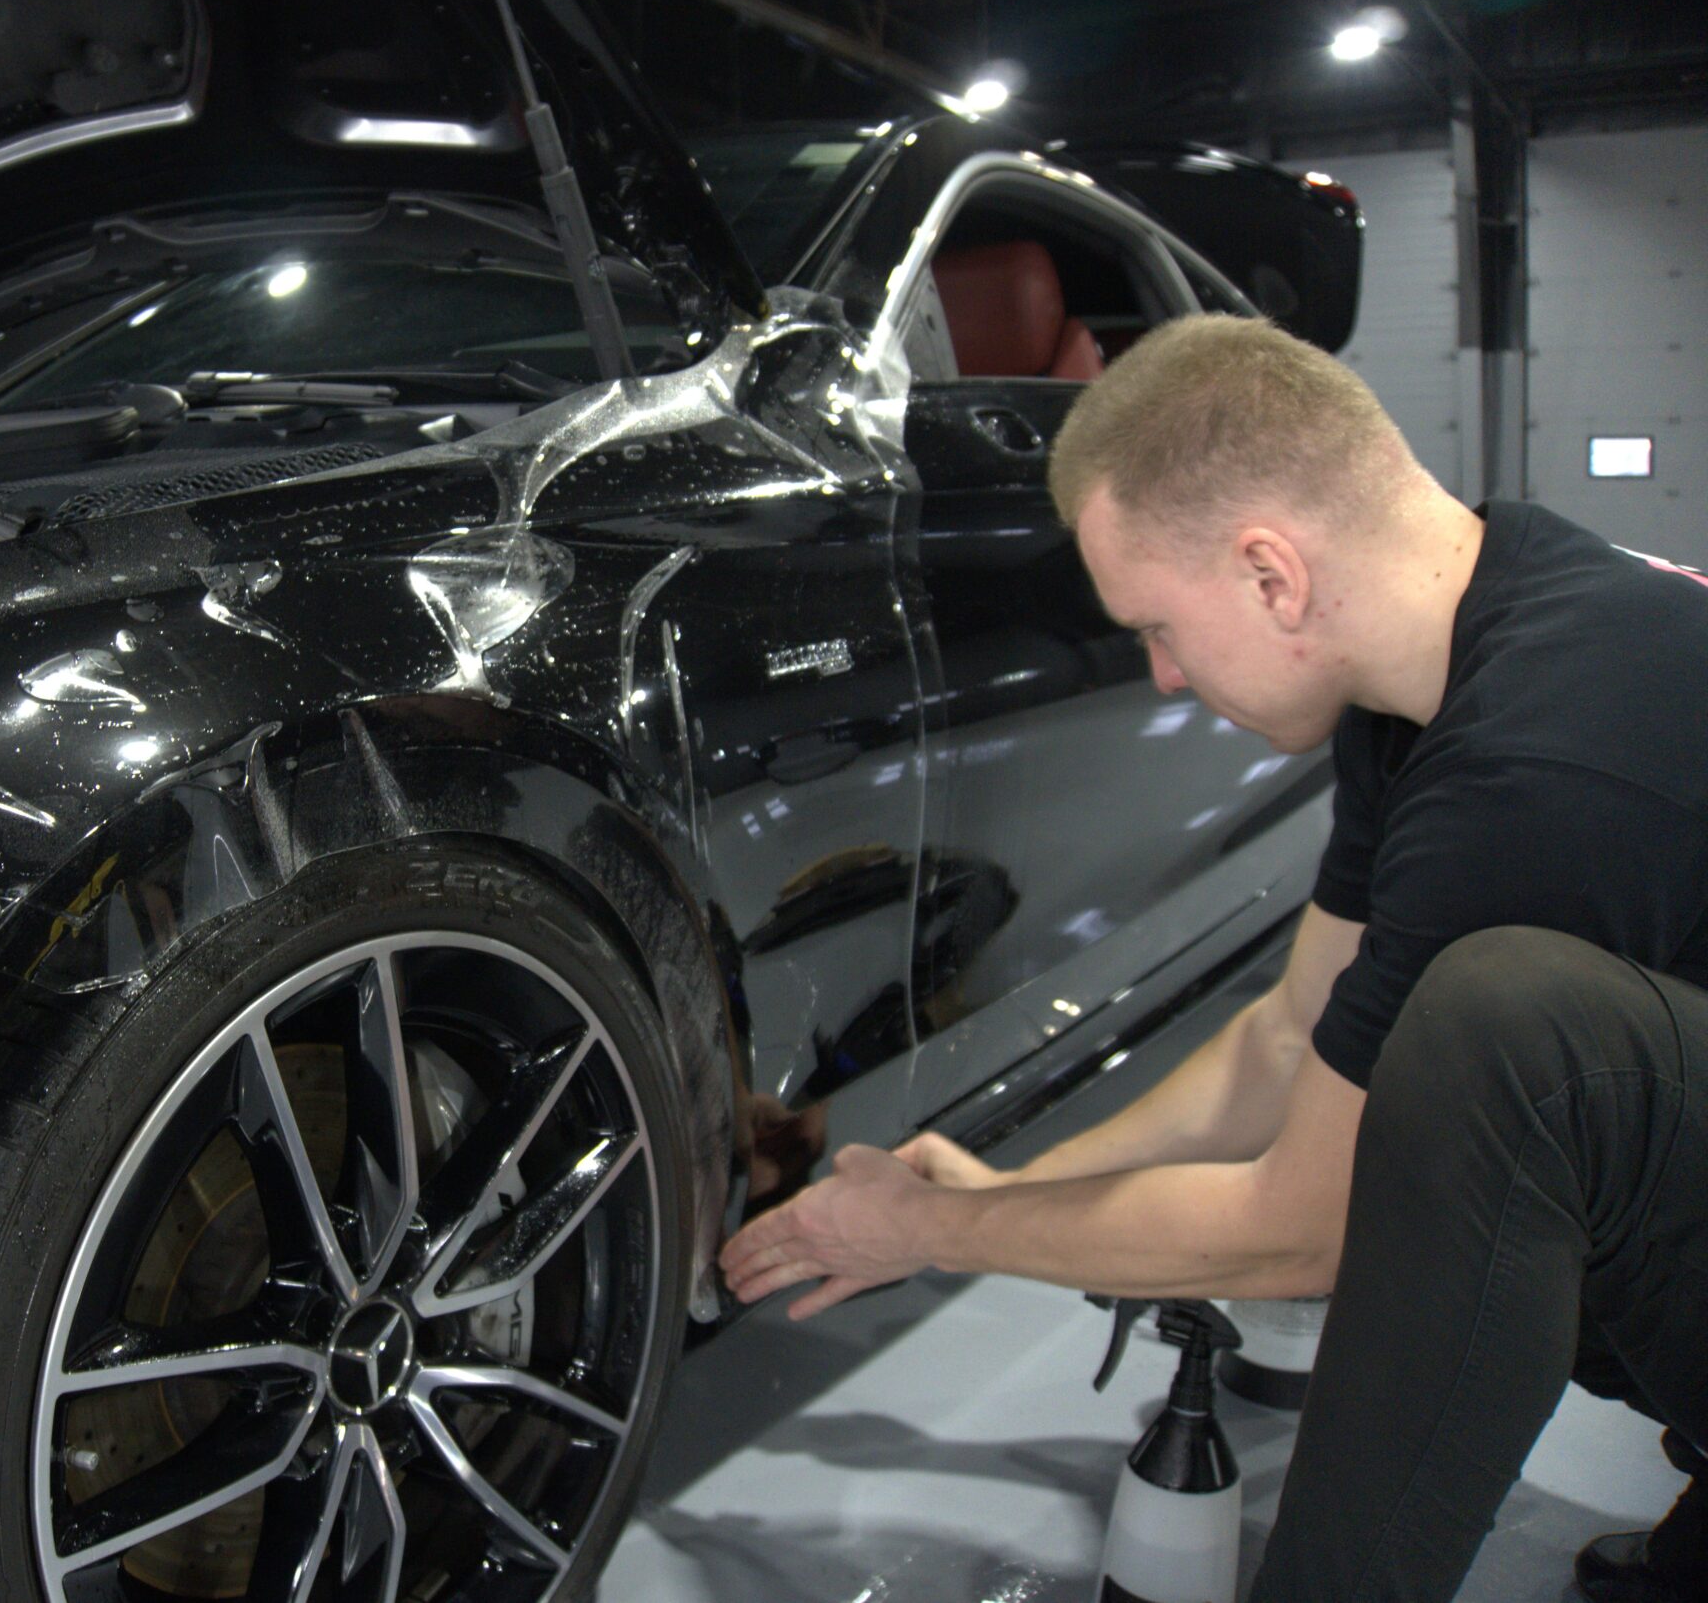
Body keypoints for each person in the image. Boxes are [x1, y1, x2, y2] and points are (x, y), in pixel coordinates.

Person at [719, 315, 1708, 1601]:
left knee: (1505, 1057)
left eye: (1159, 628)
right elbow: (1288, 1037)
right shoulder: (1466, 634)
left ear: (1269, 575)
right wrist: (1007, 1192)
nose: (1165, 679)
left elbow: (1300, 1232)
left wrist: (937, 1229)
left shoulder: (1531, 770)